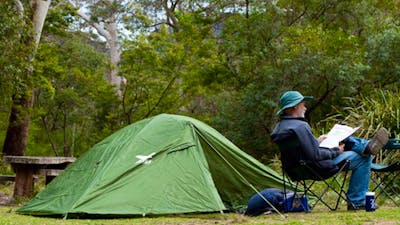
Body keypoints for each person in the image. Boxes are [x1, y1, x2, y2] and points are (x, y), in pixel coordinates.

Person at [271, 90, 389, 210]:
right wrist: (336, 151)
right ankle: (357, 201)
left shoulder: (280, 128)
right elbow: (315, 155)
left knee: (342, 140)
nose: (305, 108)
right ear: (295, 106)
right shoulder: (301, 126)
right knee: (363, 157)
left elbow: (300, 150)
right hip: (317, 167)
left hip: (296, 170)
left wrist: (317, 141)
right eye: (303, 104)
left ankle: (366, 146)